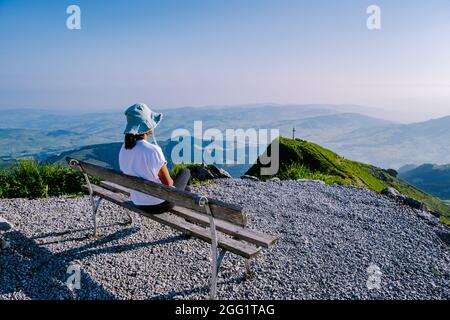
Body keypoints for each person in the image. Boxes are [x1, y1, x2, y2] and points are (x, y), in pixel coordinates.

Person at [118, 103, 190, 214]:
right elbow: (168, 185)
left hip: (137, 202)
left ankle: (187, 208)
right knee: (185, 172)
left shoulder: (123, 149)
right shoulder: (152, 150)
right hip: (160, 204)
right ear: (146, 125)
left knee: (184, 189)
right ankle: (190, 214)